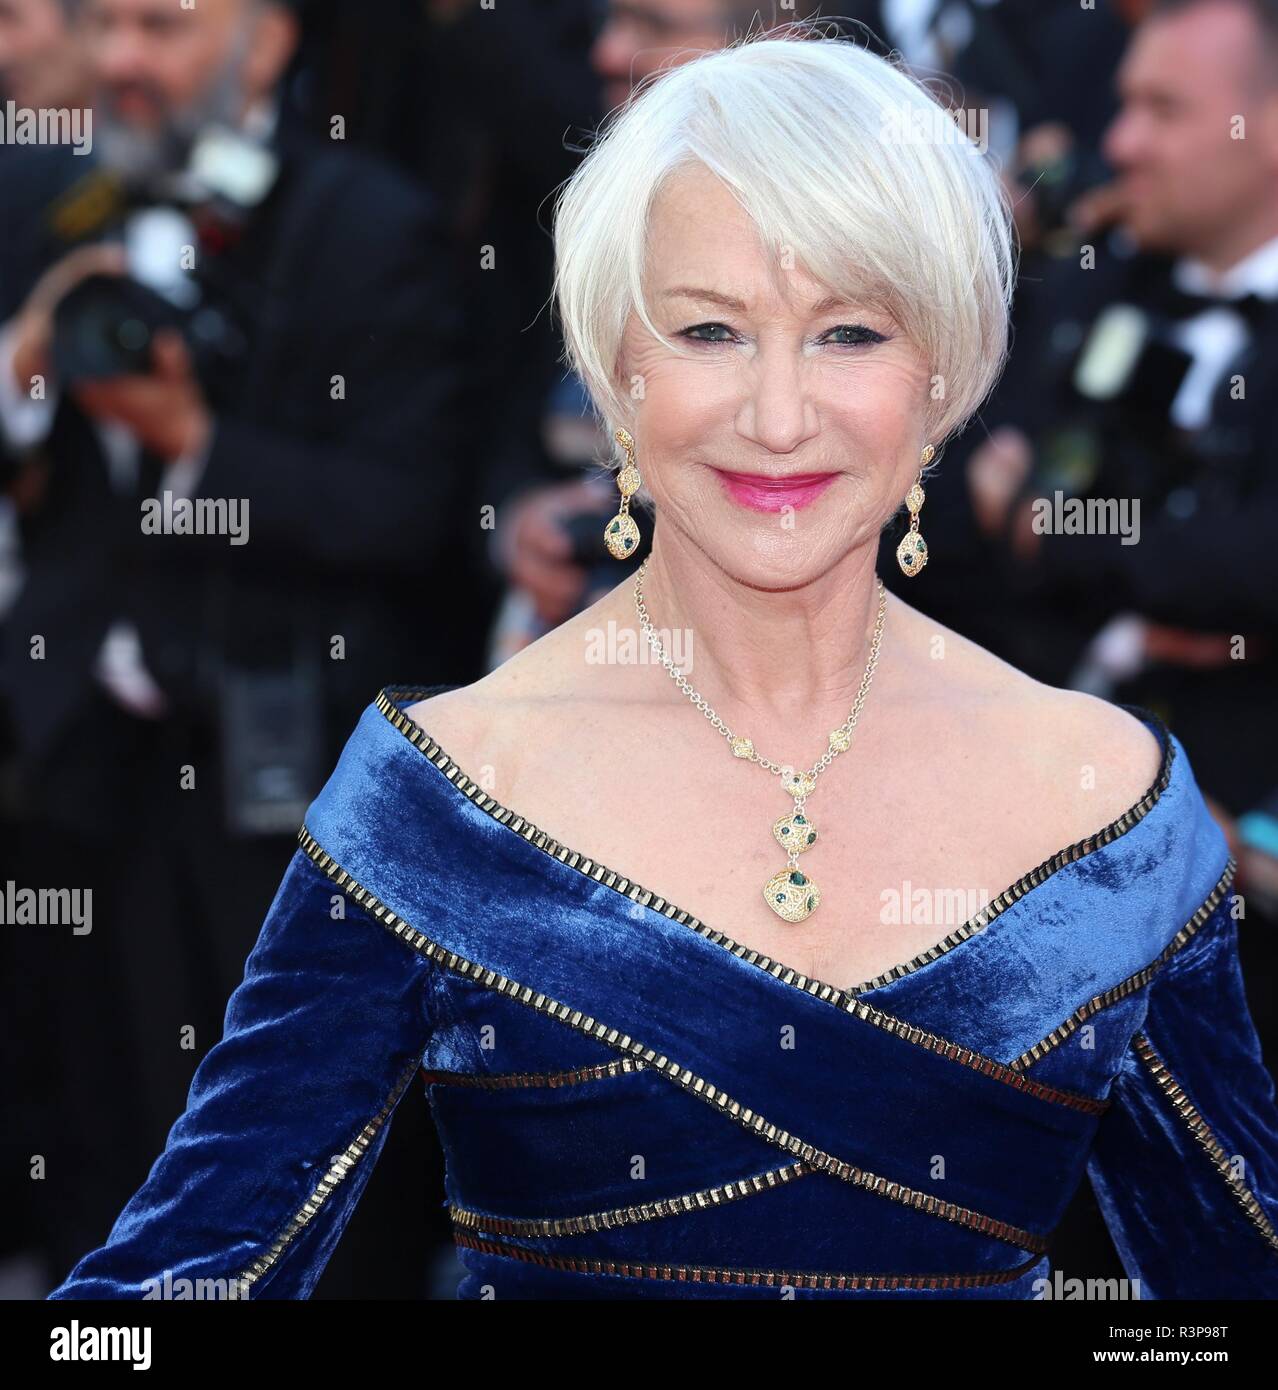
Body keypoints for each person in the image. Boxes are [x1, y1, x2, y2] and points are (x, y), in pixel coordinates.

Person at [48, 24, 1278, 1301]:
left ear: (944, 376)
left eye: (850, 332)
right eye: (710, 330)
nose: (780, 413)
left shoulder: (1110, 807)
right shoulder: (443, 793)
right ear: (616, 366)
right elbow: (174, 1289)